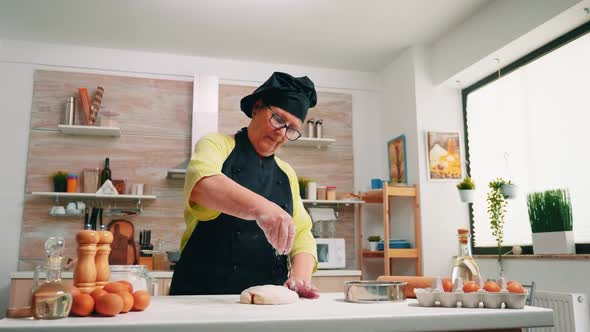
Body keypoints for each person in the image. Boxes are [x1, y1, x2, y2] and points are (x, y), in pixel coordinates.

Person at [169, 72, 319, 298]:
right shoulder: (217, 144)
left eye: (291, 128)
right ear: (257, 107)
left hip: (266, 300)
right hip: (202, 295)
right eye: (278, 119)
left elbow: (302, 234)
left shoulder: (286, 173)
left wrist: (300, 278)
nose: (281, 132)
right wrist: (265, 209)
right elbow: (203, 185)